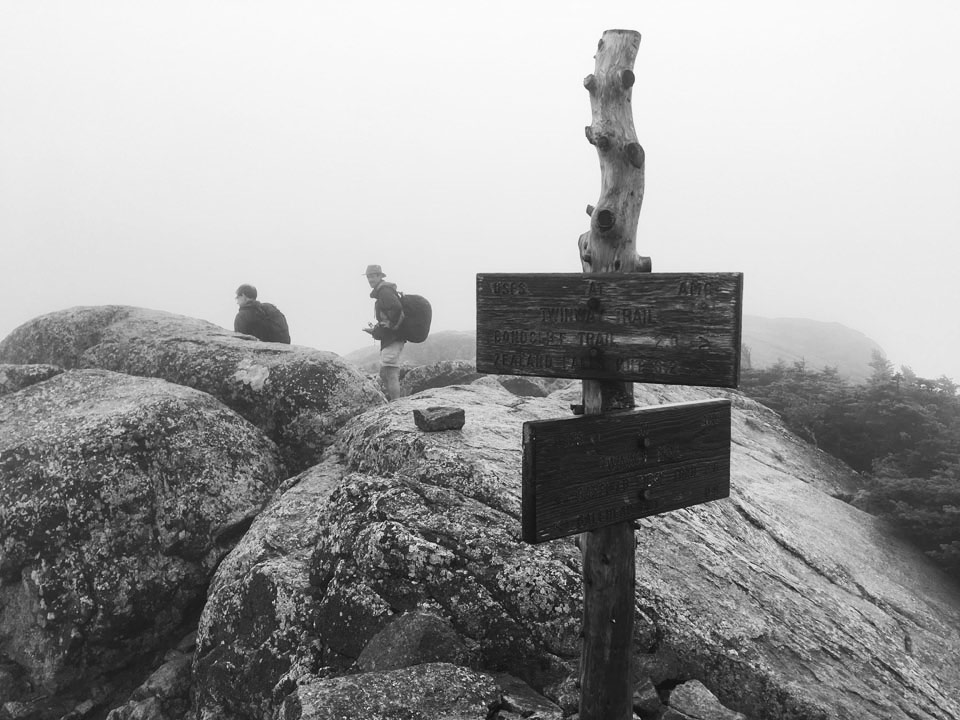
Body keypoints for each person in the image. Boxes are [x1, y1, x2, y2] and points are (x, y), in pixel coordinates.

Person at [362, 264, 404, 400]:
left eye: (373, 276)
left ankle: (397, 404)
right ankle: (397, 401)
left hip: (393, 338)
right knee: (384, 373)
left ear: (380, 276)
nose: (370, 279)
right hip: (390, 338)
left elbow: (397, 308)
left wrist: (391, 325)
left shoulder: (385, 291)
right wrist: (377, 330)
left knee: (390, 372)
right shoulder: (382, 291)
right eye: (369, 276)